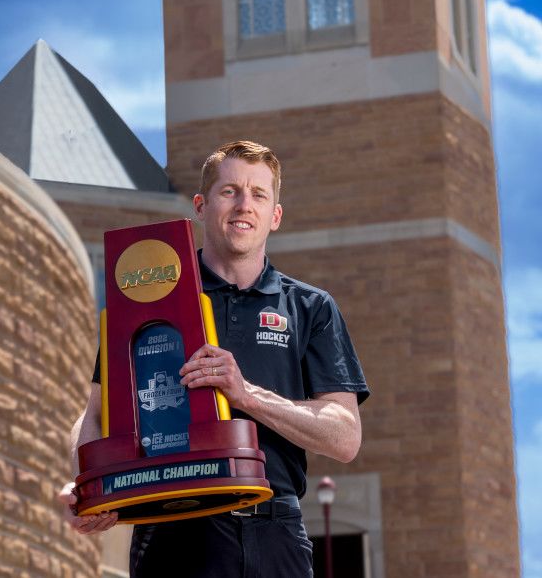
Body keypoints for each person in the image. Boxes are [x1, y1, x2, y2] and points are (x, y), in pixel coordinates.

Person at [59, 140, 369, 577]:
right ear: (201, 206)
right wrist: (84, 484)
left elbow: (345, 436)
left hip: (275, 533)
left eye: (259, 194)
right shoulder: (153, 296)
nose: (244, 205)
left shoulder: (310, 307)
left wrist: (247, 395)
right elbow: (93, 413)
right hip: (171, 528)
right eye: (230, 191)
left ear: (275, 216)